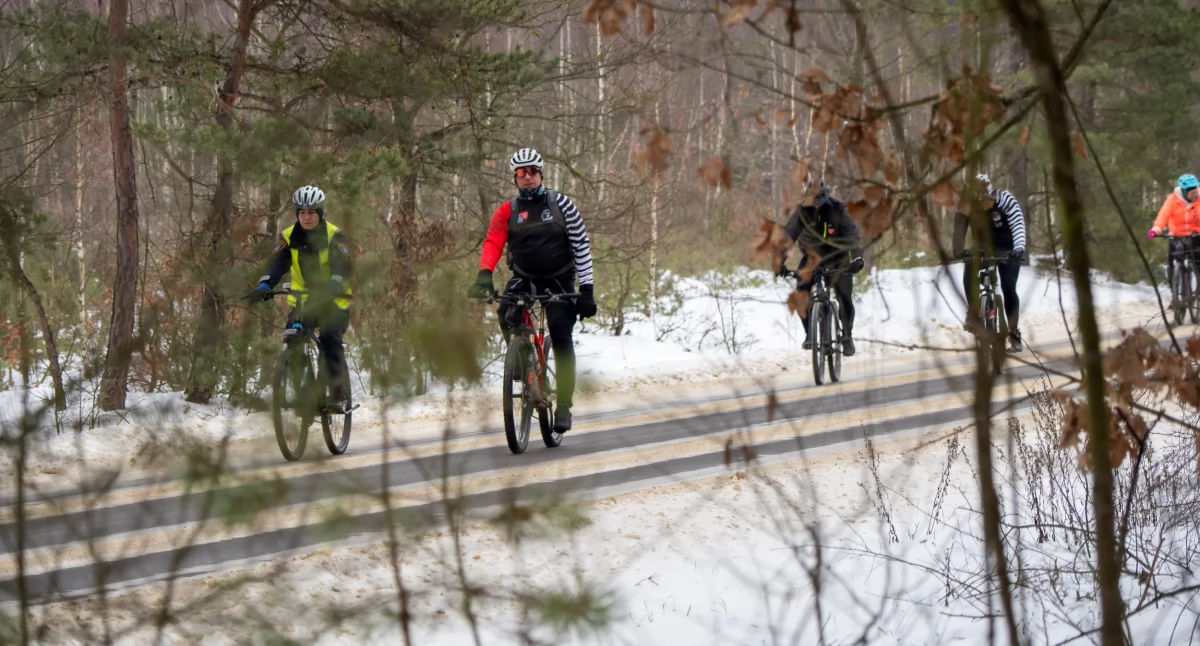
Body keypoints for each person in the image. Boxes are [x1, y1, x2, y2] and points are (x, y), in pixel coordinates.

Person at [467, 148, 596, 432]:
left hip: (560, 280)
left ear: (541, 174)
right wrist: (484, 274)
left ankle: (564, 405)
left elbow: (581, 246)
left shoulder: (562, 205)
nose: (528, 177)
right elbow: (493, 242)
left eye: (533, 171)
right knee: (505, 311)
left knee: (561, 334)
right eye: (521, 173)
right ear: (515, 177)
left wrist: (587, 289)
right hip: (524, 277)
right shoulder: (507, 211)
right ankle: (522, 359)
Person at [249, 185, 353, 413]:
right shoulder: (288, 237)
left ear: (320, 213)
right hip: (304, 303)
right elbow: (277, 263)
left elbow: (342, 264)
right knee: (292, 338)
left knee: (329, 337)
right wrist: (264, 284)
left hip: (334, 302)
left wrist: (335, 282)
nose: (306, 217)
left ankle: (337, 395)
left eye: (311, 212)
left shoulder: (334, 235)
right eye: (302, 212)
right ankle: (303, 392)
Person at [777, 180, 865, 356]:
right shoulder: (802, 211)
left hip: (838, 258)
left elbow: (851, 232)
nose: (816, 206)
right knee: (801, 293)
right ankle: (810, 334)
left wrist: (857, 257)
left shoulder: (838, 208)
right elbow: (789, 236)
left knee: (844, 296)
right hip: (812, 259)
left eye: (820, 203)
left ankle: (847, 336)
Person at [952, 173, 1027, 352]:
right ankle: (974, 313)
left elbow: (1018, 224)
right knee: (970, 267)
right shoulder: (966, 206)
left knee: (1008, 287)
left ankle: (1014, 332)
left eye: (988, 200)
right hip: (982, 246)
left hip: (1008, 247)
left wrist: (1019, 248)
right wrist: (958, 250)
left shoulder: (1005, 199)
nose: (986, 205)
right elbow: (959, 228)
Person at [1148, 173, 1200, 292]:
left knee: (1198, 261)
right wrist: (1156, 229)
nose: (1195, 195)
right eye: (1192, 193)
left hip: (1196, 235)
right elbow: (1163, 215)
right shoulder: (1173, 200)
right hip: (1176, 236)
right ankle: (1175, 293)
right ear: (1184, 192)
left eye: (1196, 192)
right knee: (1172, 263)